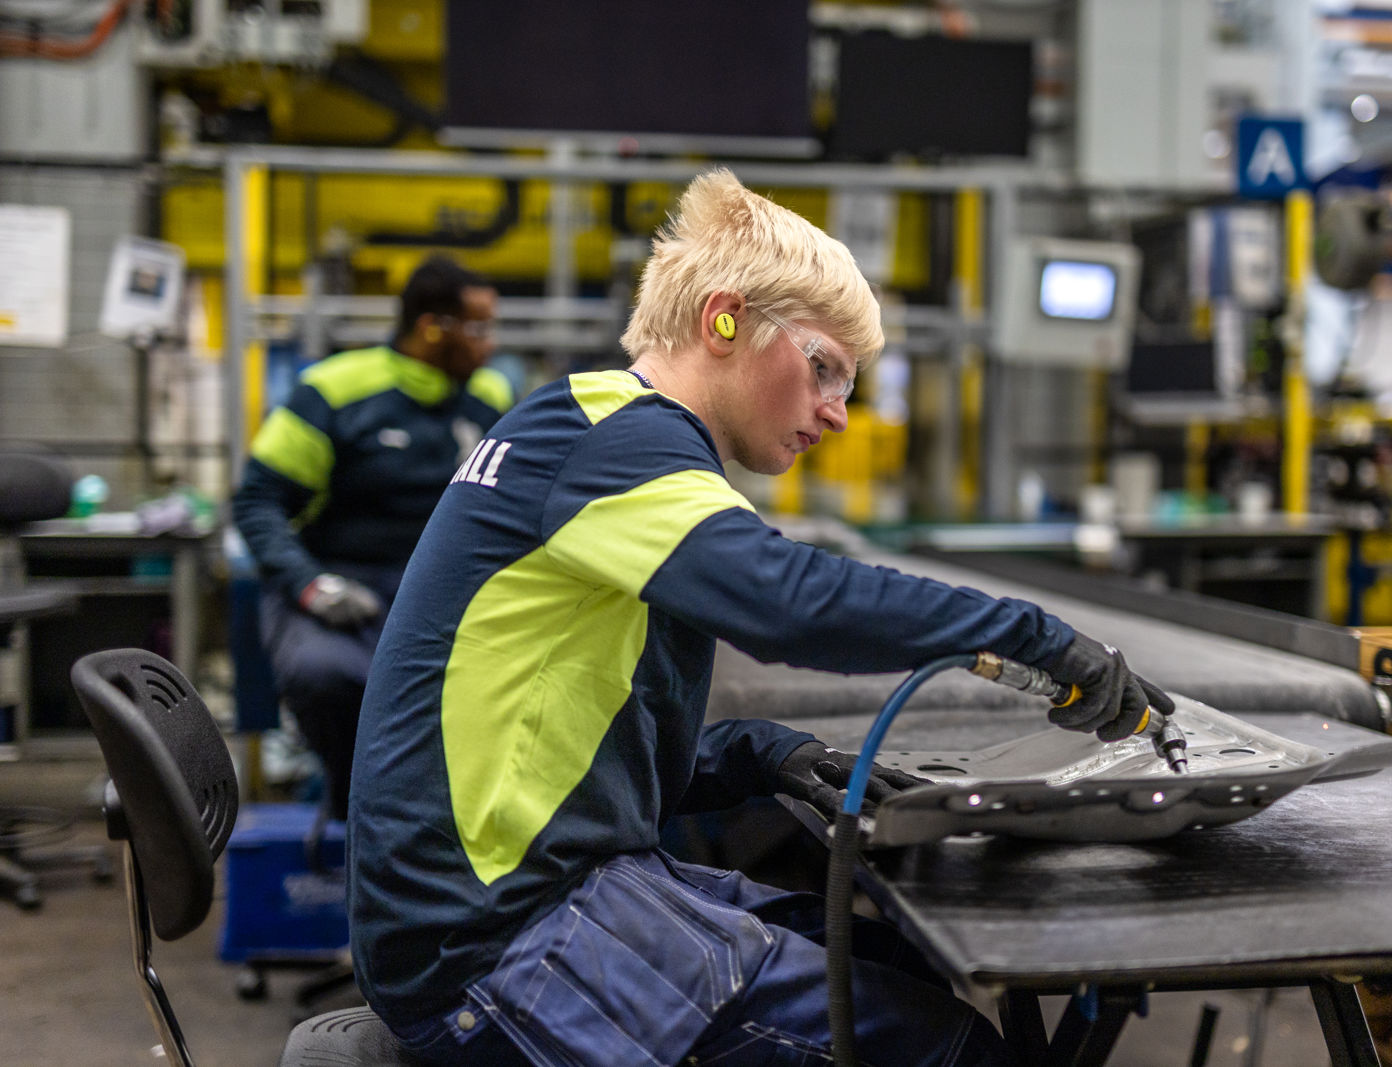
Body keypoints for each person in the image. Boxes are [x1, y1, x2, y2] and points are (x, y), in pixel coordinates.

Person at [347, 170, 1172, 1067]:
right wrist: (1036, 640)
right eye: (822, 368)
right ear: (723, 319)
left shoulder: (591, 432)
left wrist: (755, 753)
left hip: (509, 902)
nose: (837, 413)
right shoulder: (618, 443)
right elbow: (789, 603)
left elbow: (566, 746)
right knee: (950, 1051)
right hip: (492, 947)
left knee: (908, 968)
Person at [233, 255, 512, 820]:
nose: (490, 345)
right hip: (341, 583)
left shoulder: (489, 400)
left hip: (441, 592)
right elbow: (257, 502)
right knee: (327, 677)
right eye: (479, 329)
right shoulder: (334, 392)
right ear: (433, 328)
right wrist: (309, 586)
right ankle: (355, 804)